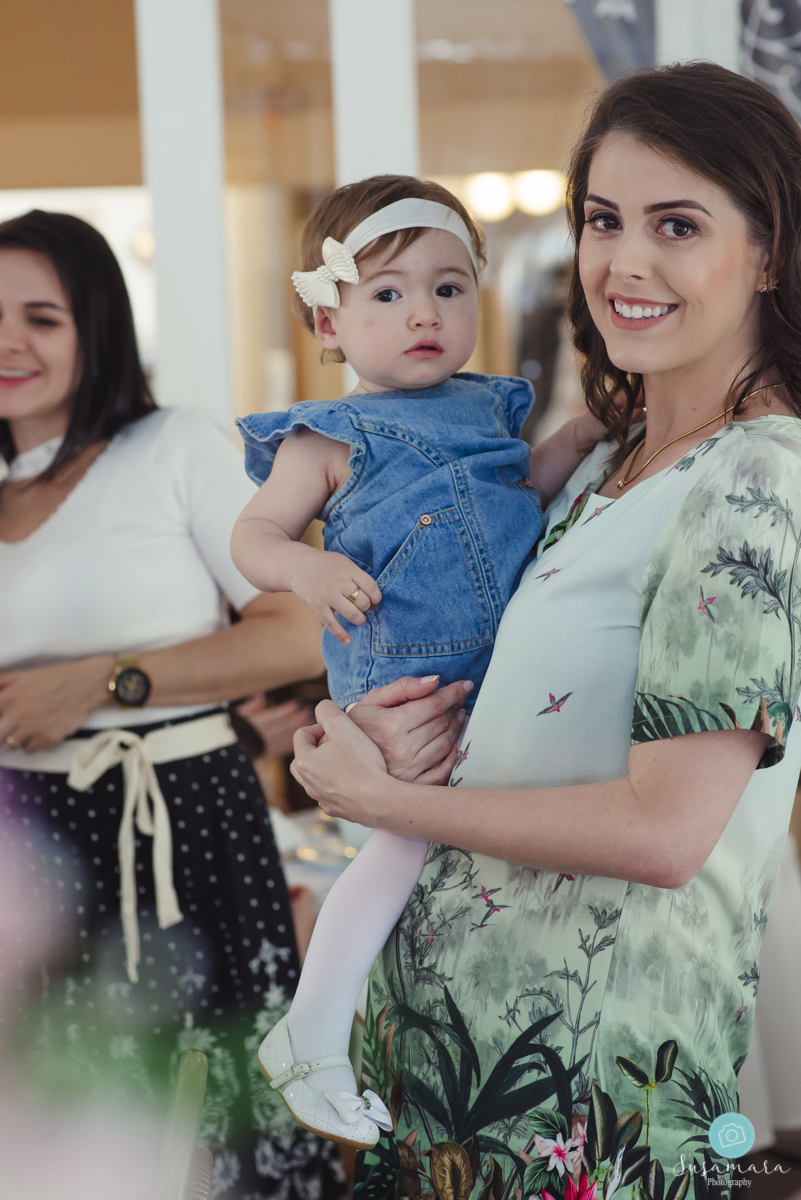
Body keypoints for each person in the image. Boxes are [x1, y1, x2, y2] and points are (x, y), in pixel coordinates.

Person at [288, 63, 801, 1198]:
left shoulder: (759, 477)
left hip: (582, 1089)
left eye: (677, 225)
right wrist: (368, 731)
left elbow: (665, 831)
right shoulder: (601, 465)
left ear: (769, 253)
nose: (625, 263)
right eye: (603, 220)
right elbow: (484, 678)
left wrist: (388, 805)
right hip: (446, 1067)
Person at [231, 175, 613, 1147]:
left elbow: (519, 494)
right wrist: (306, 568)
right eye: (389, 294)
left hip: (499, 675)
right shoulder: (326, 435)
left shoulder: (488, 410)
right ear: (329, 322)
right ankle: (313, 1029)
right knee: (400, 844)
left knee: (486, 851)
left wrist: (575, 437)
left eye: (448, 289)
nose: (424, 315)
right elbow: (255, 537)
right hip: (402, 682)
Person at [0, 210, 345, 1199]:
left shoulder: (173, 447)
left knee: (207, 1122)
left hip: (174, 826)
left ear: (97, 327)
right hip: (28, 845)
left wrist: (104, 679)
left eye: (41, 318)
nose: (9, 343)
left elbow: (300, 628)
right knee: (64, 1127)